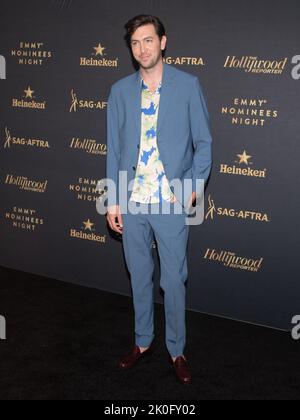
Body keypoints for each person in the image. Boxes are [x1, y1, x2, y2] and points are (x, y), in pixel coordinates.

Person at [106, 14, 212, 384]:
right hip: (132, 200)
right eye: (135, 43)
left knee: (173, 279)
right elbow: (115, 148)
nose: (142, 49)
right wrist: (113, 200)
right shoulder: (119, 91)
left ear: (163, 42)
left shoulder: (187, 85)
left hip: (170, 201)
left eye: (148, 40)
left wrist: (192, 189)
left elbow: (204, 143)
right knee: (138, 277)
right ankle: (142, 342)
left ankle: (177, 350)